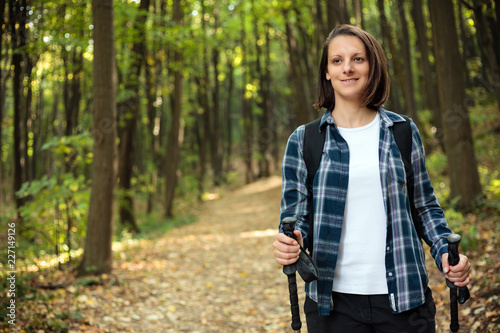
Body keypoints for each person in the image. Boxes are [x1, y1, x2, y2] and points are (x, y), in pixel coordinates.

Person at [273, 24, 471, 333]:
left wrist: (445, 250)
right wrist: (291, 242)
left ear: (372, 66)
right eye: (336, 60)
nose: (347, 68)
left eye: (358, 59)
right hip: (332, 306)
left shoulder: (403, 131)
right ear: (326, 72)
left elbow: (425, 208)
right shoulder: (304, 140)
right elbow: (296, 220)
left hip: (404, 299)